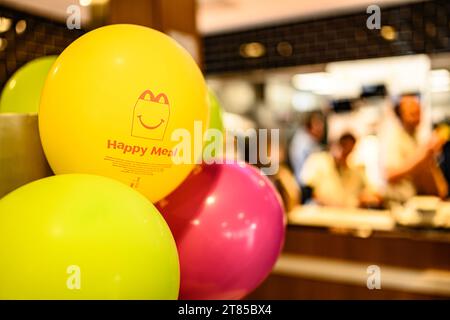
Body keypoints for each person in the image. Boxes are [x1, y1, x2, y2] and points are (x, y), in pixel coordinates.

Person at [379, 95, 448, 202]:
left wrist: (428, 156)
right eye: (412, 113)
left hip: (419, 203)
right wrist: (422, 156)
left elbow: (440, 189)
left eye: (418, 112)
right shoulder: (393, 137)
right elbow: (390, 175)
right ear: (400, 115)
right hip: (400, 205)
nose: (417, 116)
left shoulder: (419, 140)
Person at [300, 133, 378, 208]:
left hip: (347, 216)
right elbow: (307, 189)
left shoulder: (355, 170)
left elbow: (372, 193)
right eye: (343, 146)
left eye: (349, 150)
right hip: (321, 214)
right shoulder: (318, 161)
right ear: (334, 145)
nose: (344, 152)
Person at [289, 111, 325, 186]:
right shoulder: (304, 142)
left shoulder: (305, 139)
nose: (320, 129)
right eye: (317, 125)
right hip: (303, 185)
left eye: (321, 126)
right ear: (308, 126)